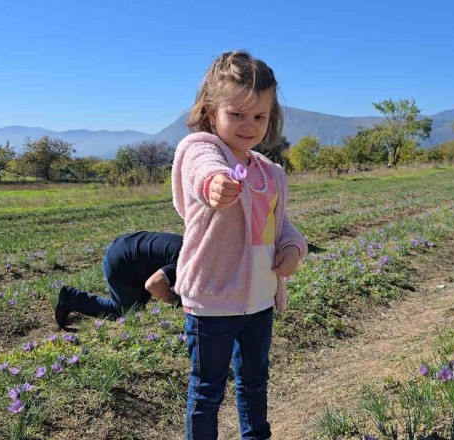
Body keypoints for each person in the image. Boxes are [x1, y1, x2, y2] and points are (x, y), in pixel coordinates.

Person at [171, 50, 307, 440]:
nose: (249, 125)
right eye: (237, 114)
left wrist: (294, 249)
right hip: (214, 299)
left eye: (259, 116)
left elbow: (282, 227)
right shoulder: (202, 149)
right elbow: (200, 168)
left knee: (254, 383)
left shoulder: (271, 172)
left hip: (260, 300)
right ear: (212, 113)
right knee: (208, 389)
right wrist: (213, 183)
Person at [55, 232, 183, 328]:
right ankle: (71, 298)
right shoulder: (187, 262)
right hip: (122, 263)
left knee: (139, 304)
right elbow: (154, 285)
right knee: (128, 311)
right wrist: (180, 302)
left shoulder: (194, 247)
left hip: (127, 247)